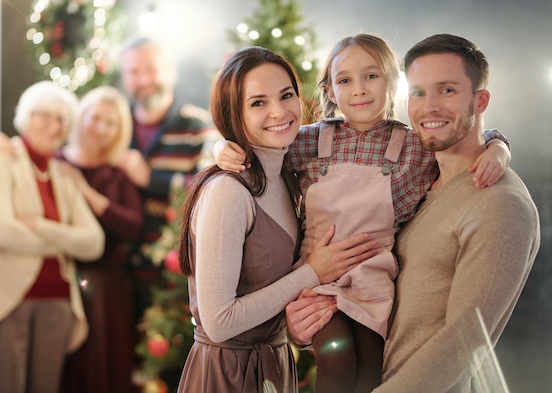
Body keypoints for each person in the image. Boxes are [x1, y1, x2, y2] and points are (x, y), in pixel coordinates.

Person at [215, 34, 511, 392]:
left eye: (371, 76)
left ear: (392, 81)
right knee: (336, 357)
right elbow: (260, 146)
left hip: (373, 280)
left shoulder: (413, 146)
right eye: (344, 80)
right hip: (319, 279)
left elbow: (463, 133)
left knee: (371, 366)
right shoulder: (310, 140)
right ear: (329, 90)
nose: (359, 90)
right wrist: (221, 147)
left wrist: (497, 148)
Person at [176, 46, 383, 393]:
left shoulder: (290, 172)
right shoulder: (228, 192)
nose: (279, 111)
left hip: (273, 366)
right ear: (234, 114)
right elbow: (219, 322)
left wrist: (495, 143)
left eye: (287, 95)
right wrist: (314, 272)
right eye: (258, 102)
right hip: (227, 375)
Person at [370, 33, 540, 393]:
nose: (428, 107)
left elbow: (462, 342)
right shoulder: (420, 179)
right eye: (417, 92)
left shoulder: (498, 204)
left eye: (446, 90)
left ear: (479, 101)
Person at [0, 81, 105, 393]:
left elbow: (93, 242)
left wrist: (41, 226)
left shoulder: (62, 172)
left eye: (62, 120)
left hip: (58, 303)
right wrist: (64, 240)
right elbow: (0, 231)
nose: (53, 127)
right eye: (44, 116)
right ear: (24, 116)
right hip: (4, 301)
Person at [117, 37, 220, 325]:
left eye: (151, 69)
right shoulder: (113, 126)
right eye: (134, 72)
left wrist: (150, 179)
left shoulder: (199, 127)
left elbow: (211, 191)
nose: (143, 79)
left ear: (171, 71)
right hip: (121, 276)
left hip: (177, 284)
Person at [58, 86, 144, 393]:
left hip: (108, 288)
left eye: (111, 123)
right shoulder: (57, 161)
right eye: (96, 118)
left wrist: (87, 193)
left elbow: (132, 225)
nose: (101, 129)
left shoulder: (117, 172)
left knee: (104, 372)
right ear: (82, 118)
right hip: (62, 281)